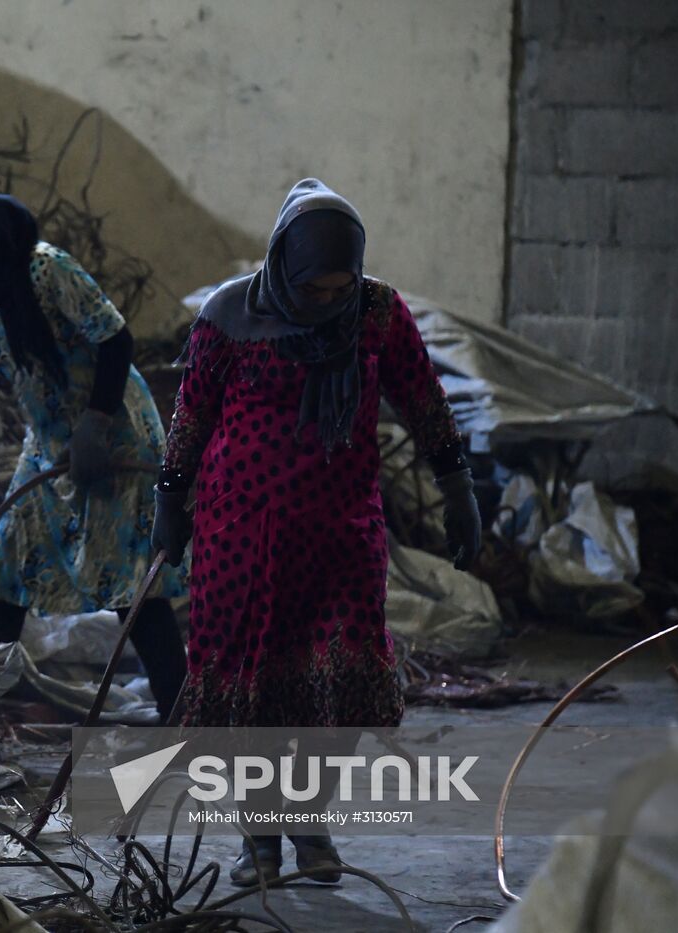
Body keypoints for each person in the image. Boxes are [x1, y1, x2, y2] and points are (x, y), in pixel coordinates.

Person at [151, 178, 481, 885]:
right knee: (252, 687)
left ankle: (310, 820)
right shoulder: (229, 314)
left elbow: (422, 396)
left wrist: (459, 488)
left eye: (341, 288)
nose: (328, 303)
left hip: (341, 531)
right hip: (241, 534)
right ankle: (258, 838)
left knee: (339, 679)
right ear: (282, 266)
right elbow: (191, 414)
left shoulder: (378, 314)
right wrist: (168, 503)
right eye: (314, 289)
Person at [0, 190, 188, 722]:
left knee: (135, 588)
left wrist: (96, 422)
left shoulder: (46, 269)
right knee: (3, 577)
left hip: (113, 437)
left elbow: (115, 340)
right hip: (48, 447)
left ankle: (181, 721)